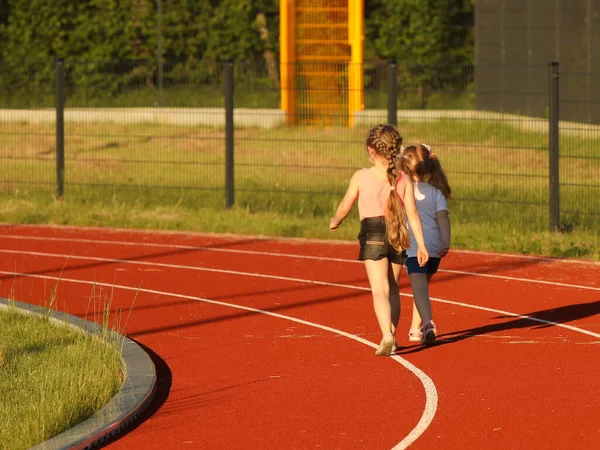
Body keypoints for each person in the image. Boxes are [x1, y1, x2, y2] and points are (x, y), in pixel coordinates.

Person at [329, 124, 429, 356]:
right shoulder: (404, 178)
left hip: (372, 234)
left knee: (379, 289)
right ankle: (392, 337)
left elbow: (346, 204)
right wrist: (421, 245)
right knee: (393, 288)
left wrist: (335, 220)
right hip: (397, 234)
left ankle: (386, 334)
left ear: (370, 150)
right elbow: (412, 214)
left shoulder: (361, 176)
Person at [398, 143, 451, 346]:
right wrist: (446, 242)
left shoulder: (404, 189)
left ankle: (428, 323)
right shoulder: (436, 192)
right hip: (435, 249)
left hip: (414, 248)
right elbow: (443, 218)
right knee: (422, 289)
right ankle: (414, 330)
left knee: (419, 289)